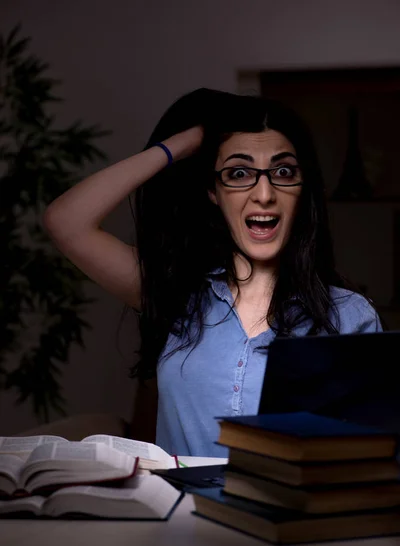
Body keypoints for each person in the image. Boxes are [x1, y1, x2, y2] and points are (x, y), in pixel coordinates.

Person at [43, 88, 382, 457]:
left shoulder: (350, 315)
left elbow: (370, 455)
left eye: (284, 171)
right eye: (238, 173)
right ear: (213, 191)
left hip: (283, 514)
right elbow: (65, 222)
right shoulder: (178, 295)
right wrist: (185, 143)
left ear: (302, 189)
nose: (264, 193)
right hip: (179, 514)